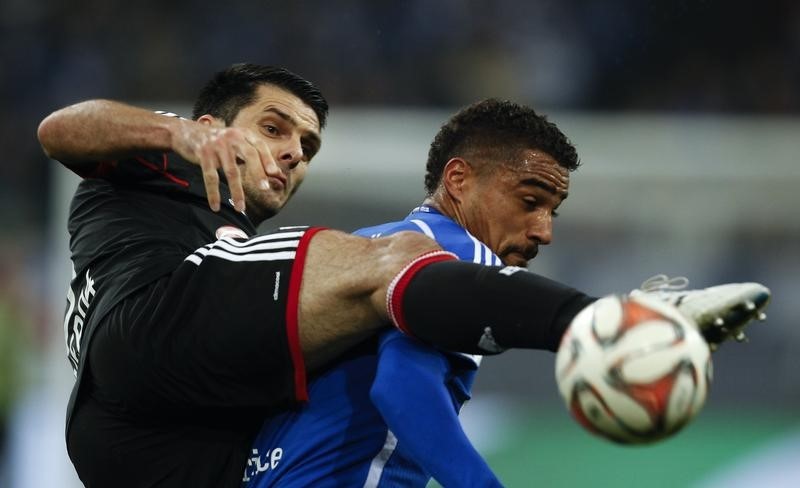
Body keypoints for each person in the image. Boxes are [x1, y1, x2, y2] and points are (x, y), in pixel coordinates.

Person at [38, 64, 770, 488]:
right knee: (393, 273)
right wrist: (175, 131)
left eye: (308, 144)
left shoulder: (242, 262)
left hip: (149, 443)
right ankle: (613, 319)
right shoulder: (162, 162)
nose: (294, 152)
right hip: (149, 325)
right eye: (272, 127)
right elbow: (58, 129)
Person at [242, 98, 575, 487]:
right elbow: (401, 388)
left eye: (552, 212)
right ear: (458, 179)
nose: (543, 231)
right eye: (529, 202)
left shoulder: (361, 245)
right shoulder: (456, 257)